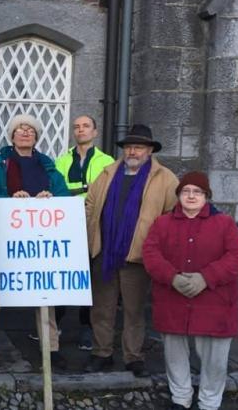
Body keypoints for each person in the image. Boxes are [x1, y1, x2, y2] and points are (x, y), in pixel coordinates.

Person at [143, 172, 238, 410]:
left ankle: (209, 402)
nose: (191, 196)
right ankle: (180, 397)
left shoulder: (224, 223)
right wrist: (172, 278)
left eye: (197, 192)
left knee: (214, 358)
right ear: (178, 195)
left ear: (206, 196)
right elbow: (150, 254)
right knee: (174, 352)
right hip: (173, 298)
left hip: (214, 301)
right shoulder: (163, 223)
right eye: (186, 191)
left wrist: (206, 277)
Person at [84, 124, 179, 377]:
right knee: (101, 308)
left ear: (149, 150)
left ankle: (133, 357)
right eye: (128, 147)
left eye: (138, 147)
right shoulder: (107, 173)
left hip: (138, 255)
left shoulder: (165, 178)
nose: (132, 151)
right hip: (104, 252)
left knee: (134, 311)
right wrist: (89, 237)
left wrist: (158, 246)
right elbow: (90, 205)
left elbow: (172, 215)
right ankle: (101, 352)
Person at [0, 114, 71, 369]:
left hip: (38, 245)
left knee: (44, 297)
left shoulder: (48, 166)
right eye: (20, 129)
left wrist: (50, 197)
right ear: (12, 135)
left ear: (36, 136)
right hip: (1, 241)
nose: (25, 133)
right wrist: (11, 201)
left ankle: (51, 349)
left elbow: (63, 195)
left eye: (30, 129)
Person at [54, 115, 115, 351]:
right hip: (65, 223)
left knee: (89, 277)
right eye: (76, 127)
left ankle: (86, 328)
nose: (80, 130)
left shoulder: (106, 161)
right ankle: (55, 324)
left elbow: (105, 193)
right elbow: (55, 187)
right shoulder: (62, 160)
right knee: (62, 274)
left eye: (85, 126)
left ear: (95, 132)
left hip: (93, 223)